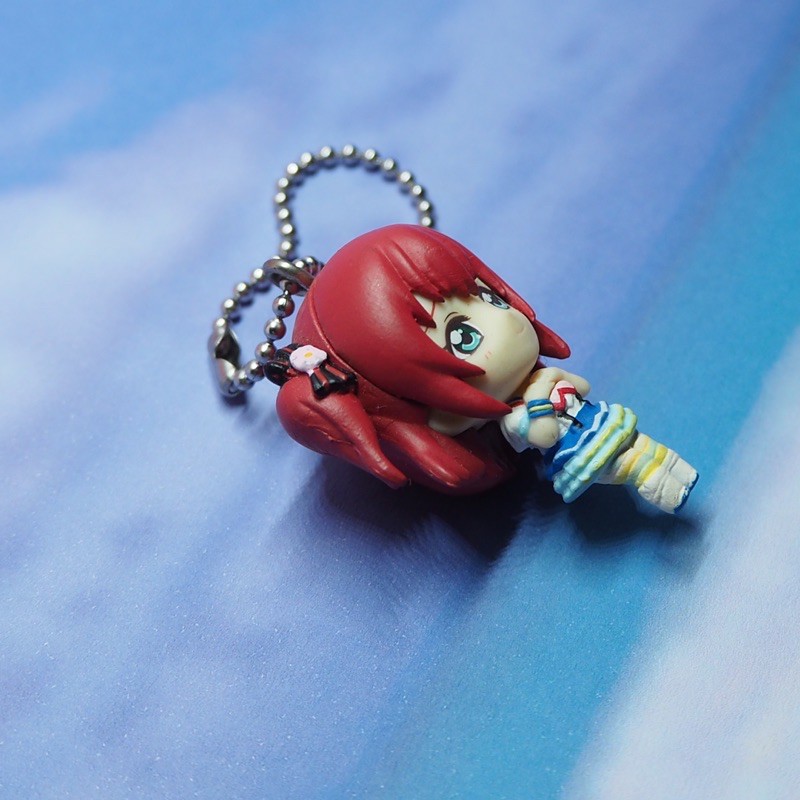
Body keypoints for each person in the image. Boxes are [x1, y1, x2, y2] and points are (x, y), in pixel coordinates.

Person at [270, 224, 697, 510]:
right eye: (463, 338)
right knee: (627, 469)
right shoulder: (510, 423)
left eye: (492, 298)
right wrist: (542, 399)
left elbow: (578, 384)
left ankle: (669, 470)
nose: (510, 323)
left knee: (644, 448)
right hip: (579, 452)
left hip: (603, 423)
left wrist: (553, 381)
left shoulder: (535, 383)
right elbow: (543, 436)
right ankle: (657, 483)